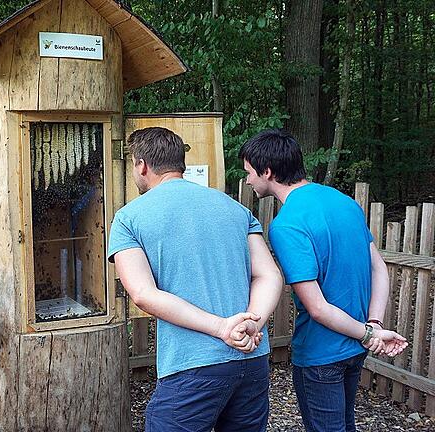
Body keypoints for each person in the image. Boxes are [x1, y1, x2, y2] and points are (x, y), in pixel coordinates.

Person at [108, 127, 283, 432]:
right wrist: (253, 322)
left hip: (192, 365)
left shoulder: (129, 217)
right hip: (252, 358)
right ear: (181, 164)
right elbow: (269, 275)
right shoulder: (236, 209)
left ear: (142, 165)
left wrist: (221, 328)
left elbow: (142, 294)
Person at [239, 129, 408, 432]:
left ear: (267, 171)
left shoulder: (286, 225)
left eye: (250, 172)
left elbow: (317, 308)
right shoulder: (344, 202)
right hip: (356, 347)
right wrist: (373, 326)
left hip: (322, 354)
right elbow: (379, 269)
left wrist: (368, 335)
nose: (248, 181)